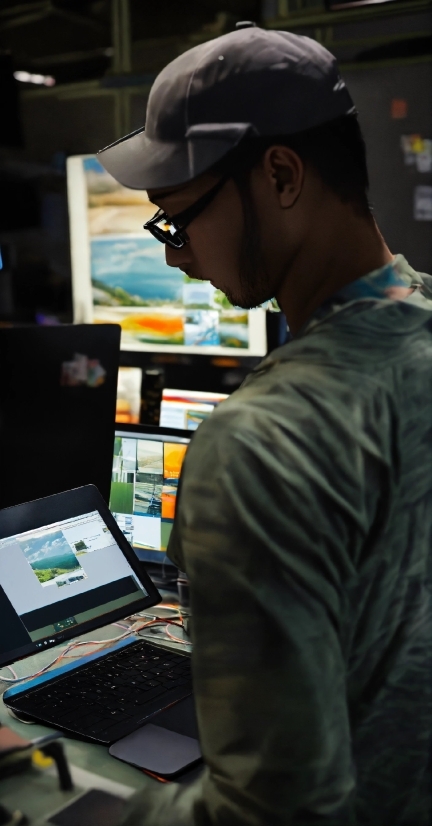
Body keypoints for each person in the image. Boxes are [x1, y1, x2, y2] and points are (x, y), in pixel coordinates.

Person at [98, 23, 432, 826]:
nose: (178, 259)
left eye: (179, 221)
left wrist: (90, 814)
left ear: (281, 175)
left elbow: (274, 813)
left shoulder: (260, 446)